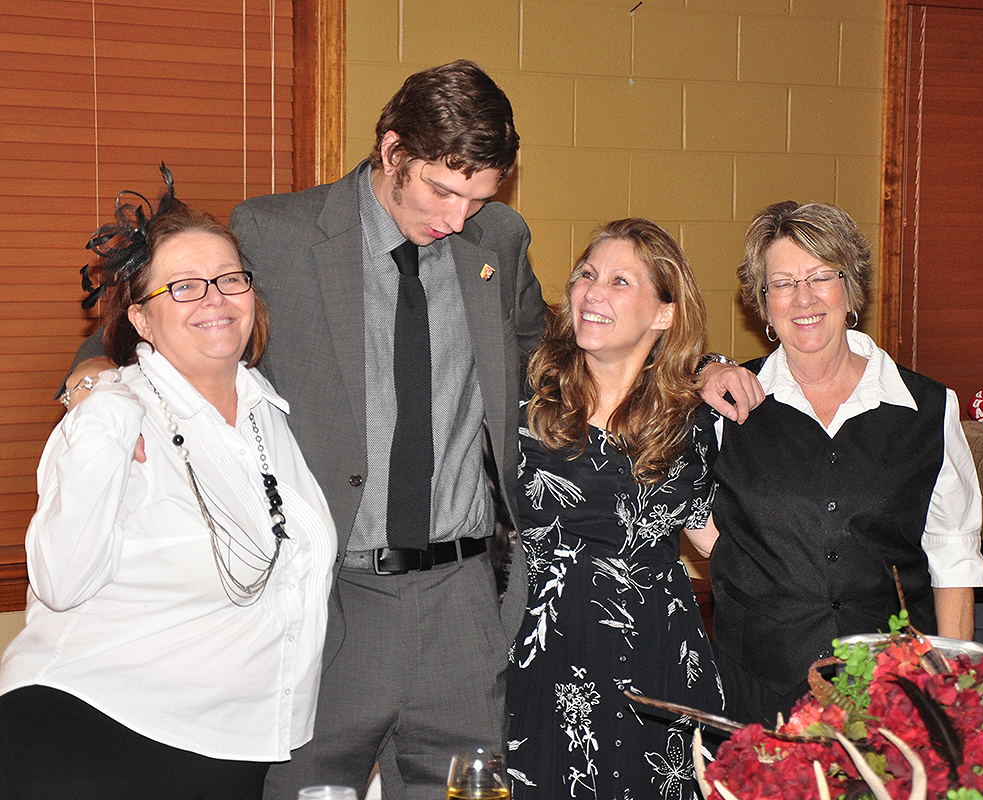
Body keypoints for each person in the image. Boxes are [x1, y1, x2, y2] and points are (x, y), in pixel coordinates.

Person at [65, 63, 760, 800]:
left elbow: (557, 347)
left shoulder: (498, 239)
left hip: (464, 604)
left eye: (478, 196)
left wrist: (699, 363)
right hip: (332, 601)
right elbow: (181, 312)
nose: (458, 217)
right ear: (392, 151)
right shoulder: (279, 233)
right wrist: (92, 372)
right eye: (443, 191)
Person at [0, 167, 337, 799]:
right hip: (93, 739)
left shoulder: (274, 417)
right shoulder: (113, 412)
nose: (214, 299)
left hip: (231, 754)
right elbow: (60, 581)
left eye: (230, 279)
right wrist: (101, 415)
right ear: (143, 321)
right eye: (182, 287)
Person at [704, 200, 983, 726]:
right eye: (783, 283)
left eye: (820, 276)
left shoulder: (928, 408)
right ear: (762, 303)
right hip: (757, 689)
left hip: (891, 691)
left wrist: (953, 695)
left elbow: (952, 558)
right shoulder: (725, 405)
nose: (803, 298)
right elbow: (677, 504)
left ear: (851, 289)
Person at [506, 219, 724, 800]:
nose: (593, 292)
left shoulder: (694, 420)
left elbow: (710, 537)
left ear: (664, 314)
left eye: (620, 281)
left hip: (653, 655)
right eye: (586, 274)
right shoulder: (523, 398)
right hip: (537, 651)